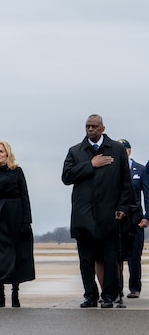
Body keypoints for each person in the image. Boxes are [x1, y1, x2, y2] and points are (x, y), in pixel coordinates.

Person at [61, 114, 133, 308]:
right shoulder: (75, 151)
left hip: (108, 214)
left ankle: (109, 295)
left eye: (94, 126)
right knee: (86, 259)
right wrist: (90, 165)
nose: (90, 129)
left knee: (110, 258)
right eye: (87, 126)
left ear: (102, 128)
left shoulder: (117, 150)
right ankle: (90, 294)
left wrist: (123, 207)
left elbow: (126, 183)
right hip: (83, 215)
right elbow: (66, 177)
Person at [0, 140, 35, 307]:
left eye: (1, 151)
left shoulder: (17, 171)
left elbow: (25, 197)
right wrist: (0, 184)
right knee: (0, 253)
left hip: (16, 214)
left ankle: (15, 293)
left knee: (16, 252)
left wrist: (27, 221)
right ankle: (0, 293)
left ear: (8, 153)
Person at [118, 139, 148, 299]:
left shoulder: (141, 170)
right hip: (118, 220)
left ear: (129, 151)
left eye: (124, 150)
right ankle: (117, 289)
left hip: (136, 219)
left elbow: (148, 195)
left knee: (134, 256)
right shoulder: (113, 170)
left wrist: (147, 217)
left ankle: (135, 288)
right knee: (116, 256)